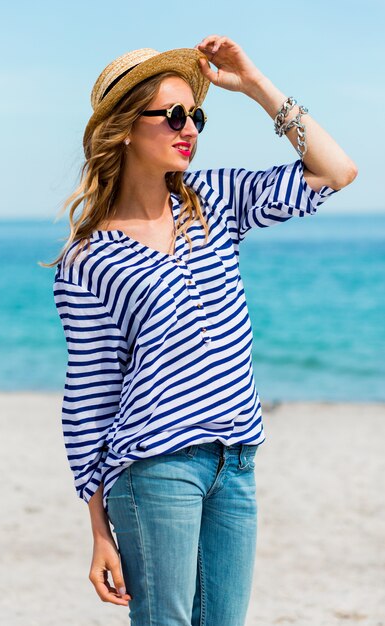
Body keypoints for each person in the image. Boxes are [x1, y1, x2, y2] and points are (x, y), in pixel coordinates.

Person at [46, 35, 357, 625]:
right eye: (173, 115)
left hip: (237, 461)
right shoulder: (87, 260)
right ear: (126, 127)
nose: (190, 127)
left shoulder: (216, 201)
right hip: (155, 467)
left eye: (197, 115)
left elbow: (337, 171)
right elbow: (89, 397)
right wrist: (97, 531)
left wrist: (256, 84)